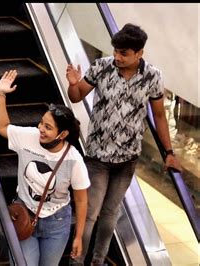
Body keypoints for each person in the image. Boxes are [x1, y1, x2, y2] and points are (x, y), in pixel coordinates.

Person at [65, 23, 182, 265]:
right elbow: (76, 97)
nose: (117, 57)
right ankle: (77, 261)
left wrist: (169, 153)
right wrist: (73, 83)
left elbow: (159, 116)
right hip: (97, 157)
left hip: (127, 159)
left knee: (110, 214)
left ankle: (98, 260)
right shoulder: (101, 67)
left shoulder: (153, 76)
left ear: (139, 53)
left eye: (124, 53)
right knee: (90, 214)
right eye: (116, 51)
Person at [0, 69, 90, 265]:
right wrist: (0, 93)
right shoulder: (28, 137)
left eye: (48, 127)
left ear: (62, 134)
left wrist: (78, 236)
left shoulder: (74, 159)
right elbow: (2, 127)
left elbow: (81, 200)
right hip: (24, 213)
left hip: (57, 223)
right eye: (41, 123)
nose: (40, 129)